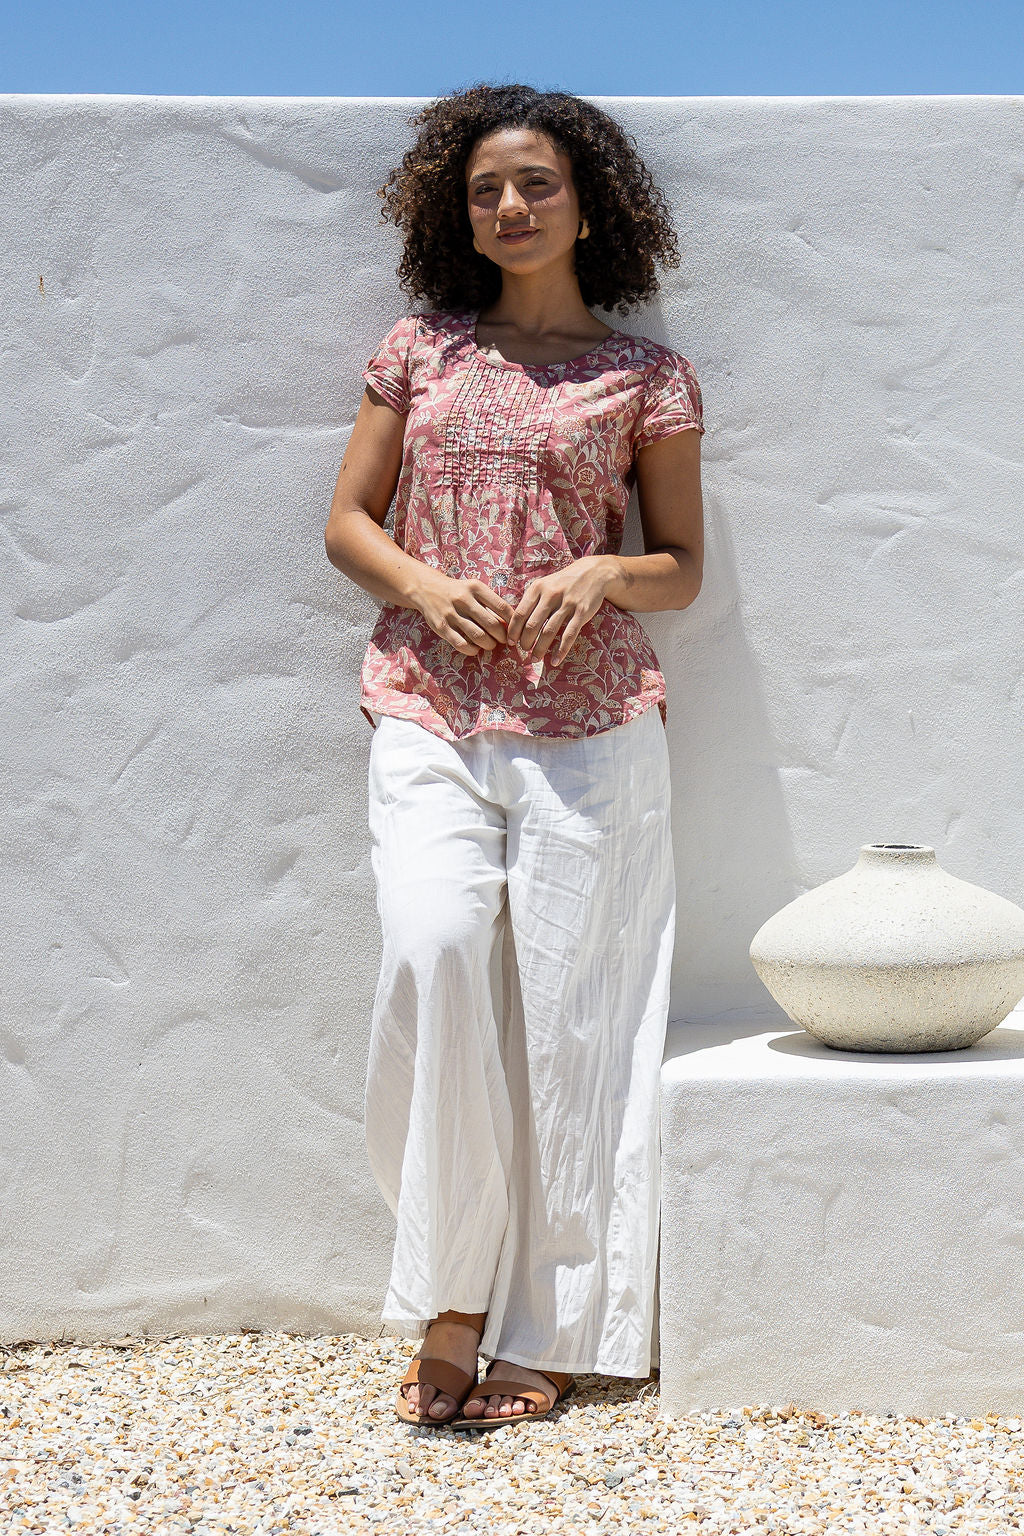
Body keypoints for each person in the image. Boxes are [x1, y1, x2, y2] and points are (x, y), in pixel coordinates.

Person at [324, 82, 705, 1431]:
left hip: (591, 721)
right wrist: (429, 593)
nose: (511, 206)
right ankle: (450, 1294)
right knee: (431, 954)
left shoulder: (645, 376)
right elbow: (349, 522)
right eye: (487, 188)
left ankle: (546, 1328)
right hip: (428, 704)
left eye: (536, 183)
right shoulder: (420, 350)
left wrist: (602, 570)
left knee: (571, 1012)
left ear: (587, 201)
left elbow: (682, 571)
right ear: (457, 208)